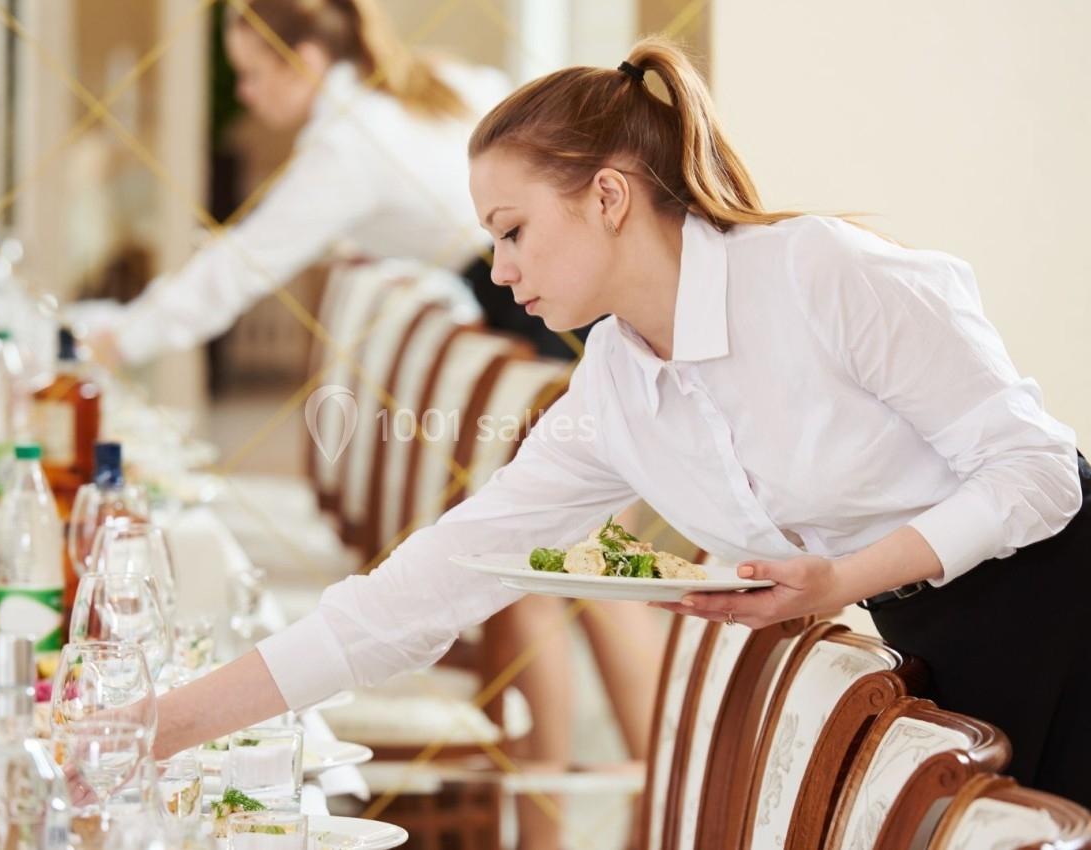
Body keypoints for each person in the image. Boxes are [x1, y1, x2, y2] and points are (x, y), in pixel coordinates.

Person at [151, 33, 1090, 812]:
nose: (500, 270)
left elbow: (1040, 474)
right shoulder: (615, 386)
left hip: (1063, 597)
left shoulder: (819, 275)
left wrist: (841, 578)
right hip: (927, 639)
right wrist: (160, 728)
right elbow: (427, 587)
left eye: (513, 230)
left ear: (607, 197)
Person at [84, 0, 584, 364]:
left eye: (252, 73)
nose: (244, 93)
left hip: (528, 294)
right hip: (559, 261)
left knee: (580, 453)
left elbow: (242, 265)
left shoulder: (347, 143)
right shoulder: (428, 80)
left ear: (304, 61)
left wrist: (120, 341)